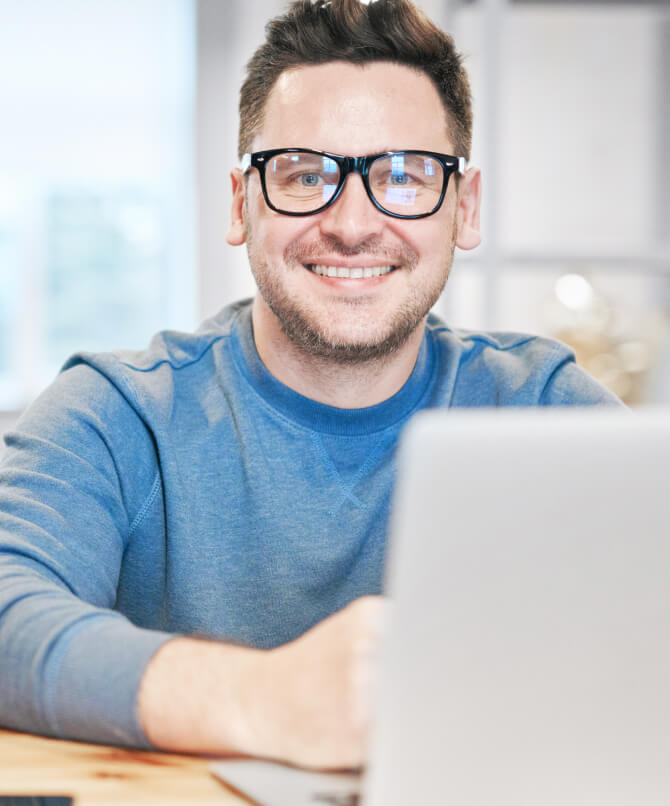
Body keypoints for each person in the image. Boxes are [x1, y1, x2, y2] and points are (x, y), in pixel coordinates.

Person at [0, 0, 620, 770]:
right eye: (303, 175)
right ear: (241, 204)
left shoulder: (546, 411)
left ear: (464, 208)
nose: (352, 225)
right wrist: (266, 699)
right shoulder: (119, 414)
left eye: (404, 176)